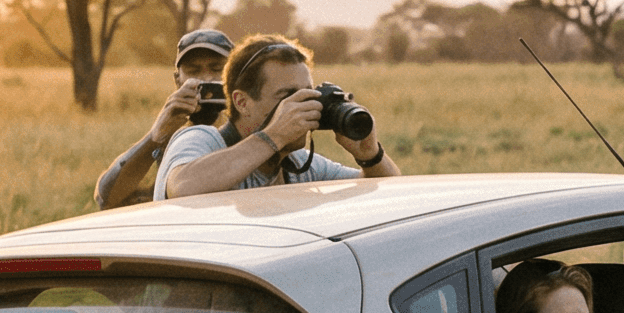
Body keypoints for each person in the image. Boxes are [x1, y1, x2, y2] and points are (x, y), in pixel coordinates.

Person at [156, 33, 403, 198]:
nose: (302, 104)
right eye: (287, 96)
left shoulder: (300, 165)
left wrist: (370, 154)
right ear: (242, 102)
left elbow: (389, 194)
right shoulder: (202, 139)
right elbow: (183, 186)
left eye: (307, 94)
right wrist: (274, 134)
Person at [93, 28, 233, 209]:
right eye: (193, 71)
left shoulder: (250, 123)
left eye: (217, 69)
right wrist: (154, 138)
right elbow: (107, 199)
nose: (206, 78)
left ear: (235, 74)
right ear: (178, 81)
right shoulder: (171, 131)